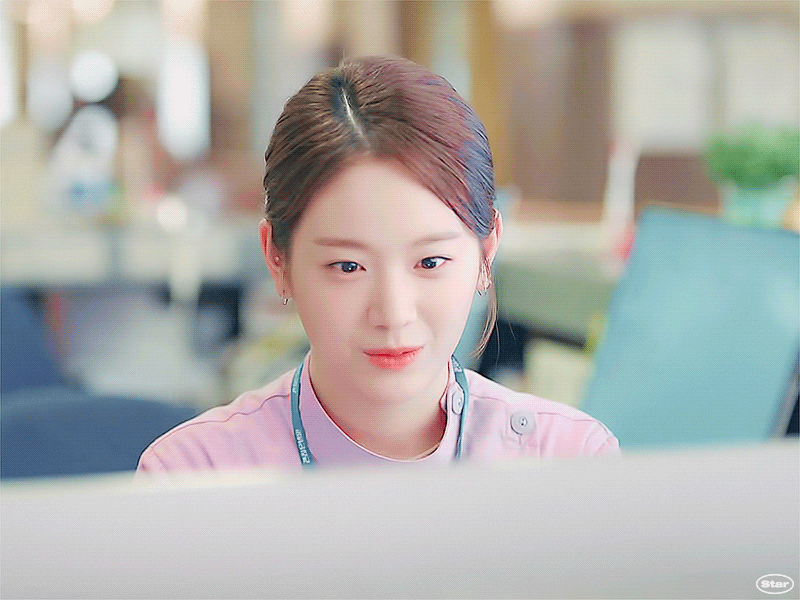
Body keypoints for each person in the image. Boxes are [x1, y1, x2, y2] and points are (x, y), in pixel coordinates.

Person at [137, 56, 619, 473]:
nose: (393, 314)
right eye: (348, 267)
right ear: (277, 259)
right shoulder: (195, 473)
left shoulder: (570, 461)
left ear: (485, 253)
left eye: (430, 261)